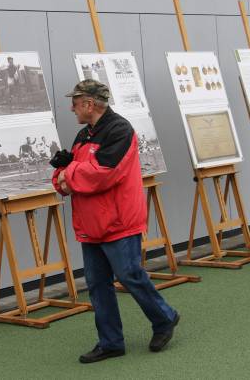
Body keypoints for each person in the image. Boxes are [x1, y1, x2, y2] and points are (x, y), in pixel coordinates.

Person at [51, 79, 179, 363]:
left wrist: (68, 173)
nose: (71, 107)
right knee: (97, 284)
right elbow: (71, 175)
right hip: (91, 224)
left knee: (129, 274)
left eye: (75, 102)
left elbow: (103, 173)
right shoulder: (84, 135)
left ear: (89, 104)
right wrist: (64, 174)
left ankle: (165, 318)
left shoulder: (119, 130)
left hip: (118, 221)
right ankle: (110, 342)